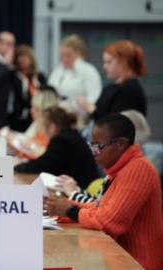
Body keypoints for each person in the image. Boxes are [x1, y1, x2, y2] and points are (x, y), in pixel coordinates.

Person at [44, 114, 163, 270]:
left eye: (98, 146)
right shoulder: (117, 170)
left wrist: (69, 210)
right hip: (115, 257)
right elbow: (98, 207)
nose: (94, 152)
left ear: (121, 143)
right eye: (91, 146)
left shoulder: (138, 169)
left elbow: (109, 222)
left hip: (136, 264)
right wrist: (57, 207)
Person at [14, 107, 98, 189]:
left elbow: (41, 165)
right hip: (83, 186)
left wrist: (17, 166)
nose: (42, 131)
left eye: (43, 127)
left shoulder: (62, 141)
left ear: (52, 127)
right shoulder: (71, 136)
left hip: (81, 191)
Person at [78, 40, 147, 121]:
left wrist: (90, 108)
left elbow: (114, 124)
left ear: (123, 62)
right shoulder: (111, 88)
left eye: (109, 62)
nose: (104, 67)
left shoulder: (130, 90)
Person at [48, 34, 102, 109]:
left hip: (79, 115)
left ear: (79, 54)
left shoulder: (89, 71)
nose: (64, 59)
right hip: (56, 114)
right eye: (62, 56)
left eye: (68, 55)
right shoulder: (57, 71)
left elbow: (94, 97)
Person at [9, 44, 47, 132]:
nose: (22, 60)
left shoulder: (39, 77)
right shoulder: (13, 76)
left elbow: (44, 95)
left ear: (31, 58)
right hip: (17, 119)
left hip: (37, 118)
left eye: (25, 56)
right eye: (20, 56)